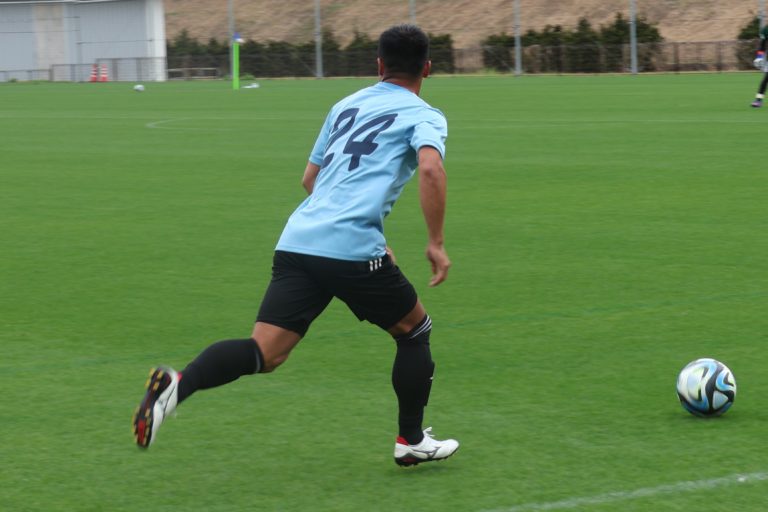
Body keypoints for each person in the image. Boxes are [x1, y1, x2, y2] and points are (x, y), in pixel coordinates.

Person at [132, 24, 459, 467]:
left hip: (298, 241)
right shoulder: (425, 114)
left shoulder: (345, 105)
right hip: (352, 249)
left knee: (266, 353)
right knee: (414, 331)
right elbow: (431, 170)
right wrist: (435, 243)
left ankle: (177, 384)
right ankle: (411, 440)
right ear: (428, 68)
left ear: (379, 64)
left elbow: (310, 179)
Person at [750, 24, 768, 107]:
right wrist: (759, 57)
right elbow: (762, 45)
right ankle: (758, 100)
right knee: (766, 79)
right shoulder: (766, 30)